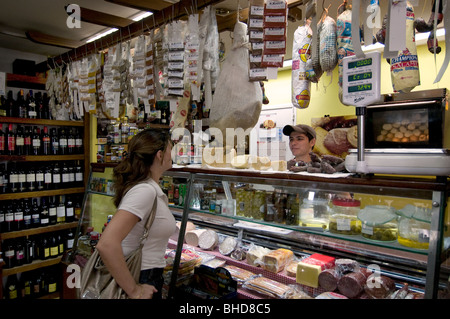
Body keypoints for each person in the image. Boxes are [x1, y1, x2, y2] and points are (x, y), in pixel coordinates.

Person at [96, 128, 175, 299]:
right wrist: (134, 290)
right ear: (160, 155)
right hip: (140, 276)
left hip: (145, 274)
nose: (172, 153)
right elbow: (107, 244)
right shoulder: (144, 191)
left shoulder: (149, 187)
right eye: (171, 148)